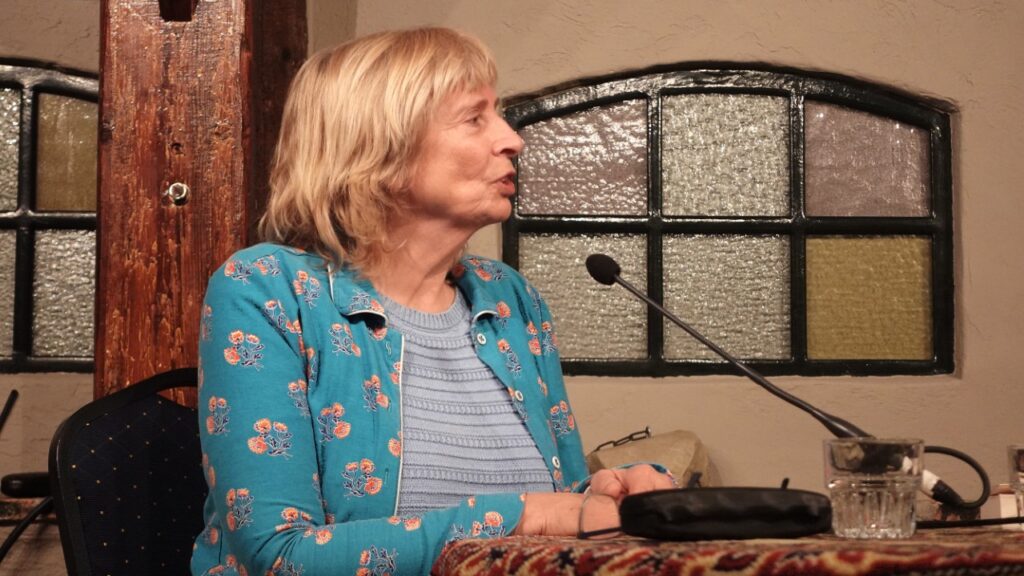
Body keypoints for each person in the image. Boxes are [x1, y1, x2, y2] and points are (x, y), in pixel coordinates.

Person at [191, 27, 673, 576]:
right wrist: (526, 518)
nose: (512, 139)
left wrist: (610, 495)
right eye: (475, 118)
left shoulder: (512, 299)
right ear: (381, 145)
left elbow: (556, 509)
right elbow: (278, 556)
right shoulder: (267, 288)